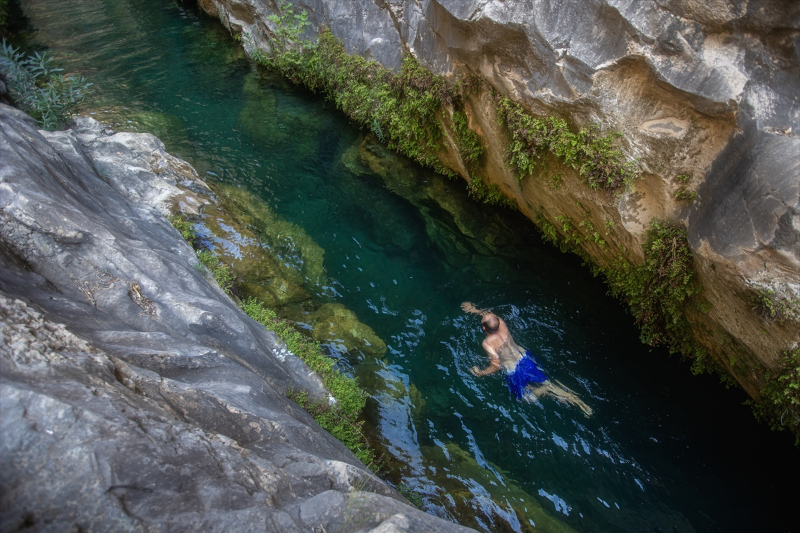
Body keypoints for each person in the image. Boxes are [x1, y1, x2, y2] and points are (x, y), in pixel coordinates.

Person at [461, 302, 593, 417]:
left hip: (514, 371)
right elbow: (488, 314)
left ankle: (543, 391)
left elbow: (496, 365)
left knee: (524, 399)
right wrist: (474, 309)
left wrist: (480, 373)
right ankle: (579, 403)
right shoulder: (501, 324)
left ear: (484, 328)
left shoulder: (488, 343)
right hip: (525, 359)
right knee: (549, 383)